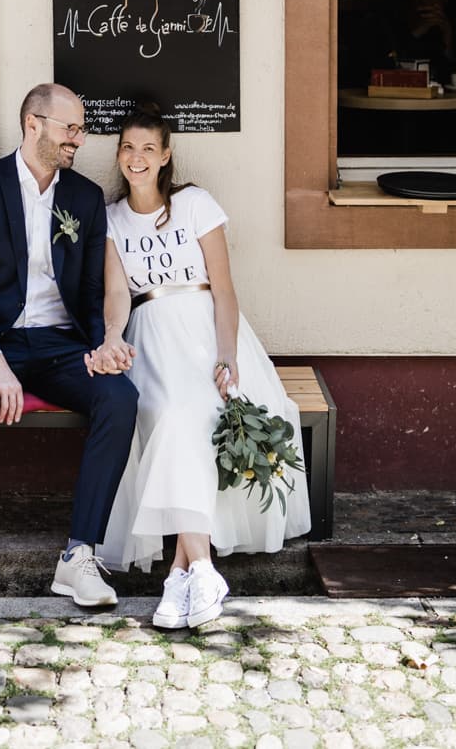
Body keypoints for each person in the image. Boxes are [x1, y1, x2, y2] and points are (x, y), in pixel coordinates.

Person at [87, 105, 311, 629]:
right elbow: (117, 294)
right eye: (127, 147)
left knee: (200, 413)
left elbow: (224, 288)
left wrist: (227, 353)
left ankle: (180, 575)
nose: (135, 158)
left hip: (207, 331)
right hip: (151, 336)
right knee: (171, 415)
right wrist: (113, 338)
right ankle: (201, 569)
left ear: (165, 155)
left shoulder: (194, 204)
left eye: (147, 148)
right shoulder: (112, 219)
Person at [0, 82, 139, 606]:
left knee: (120, 397)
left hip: (61, 346)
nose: (78, 140)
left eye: (81, 130)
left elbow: (89, 292)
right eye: (71, 128)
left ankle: (79, 556)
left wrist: (103, 344)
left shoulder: (84, 199)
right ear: (33, 124)